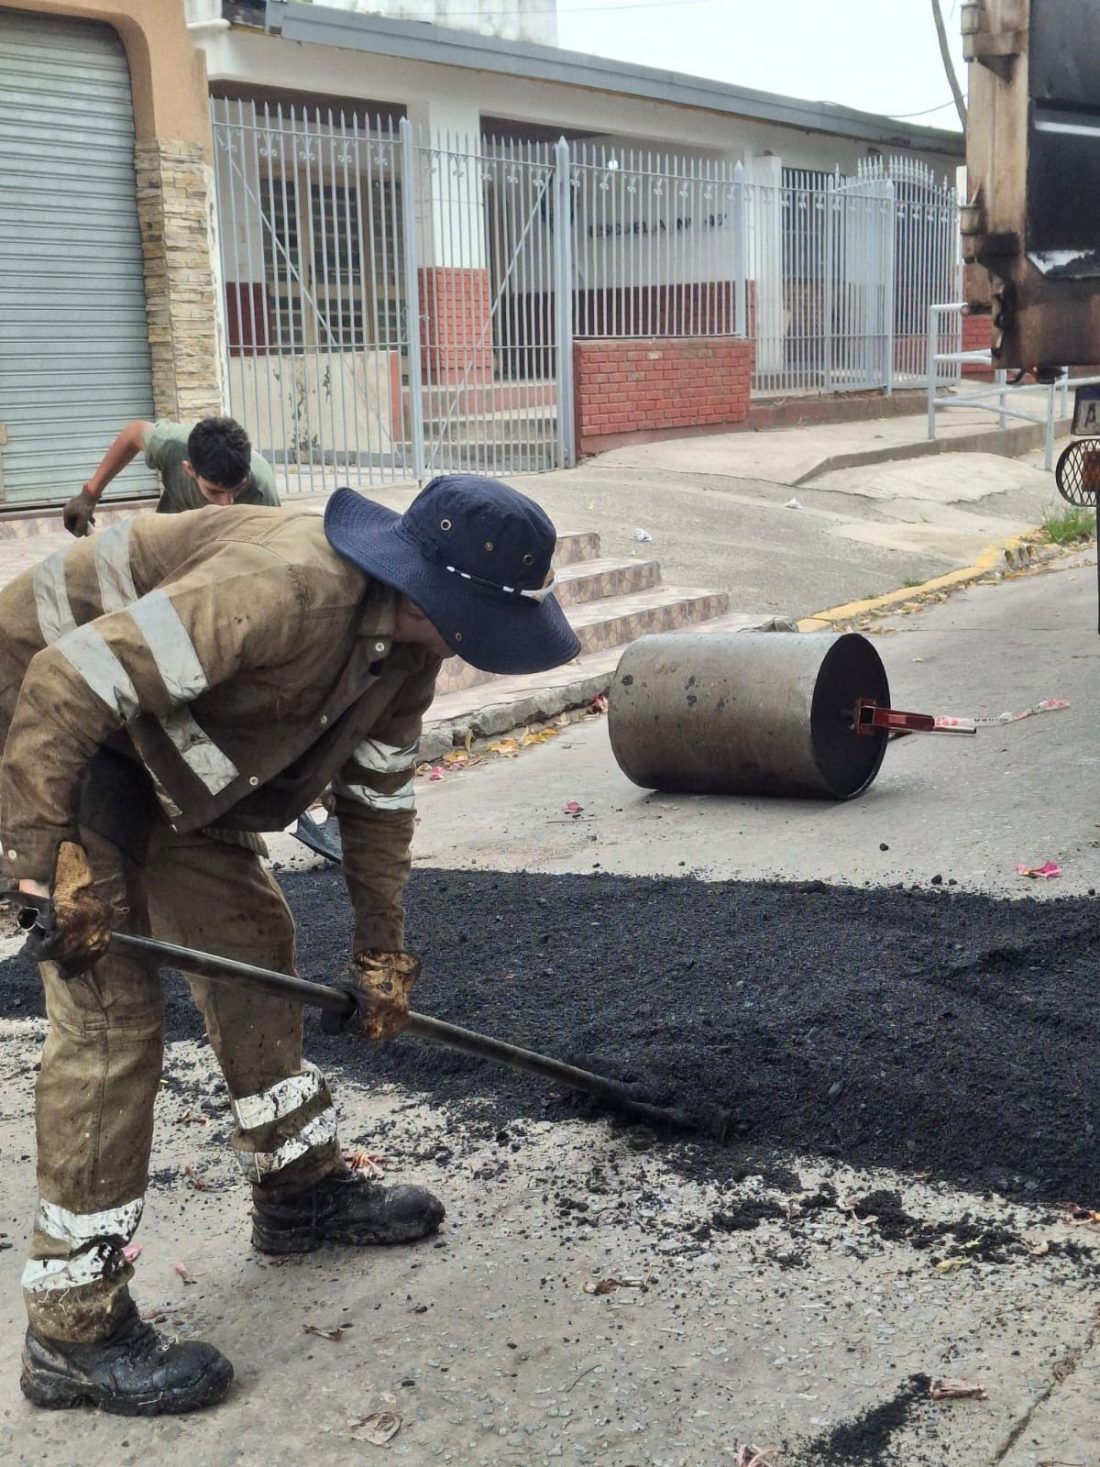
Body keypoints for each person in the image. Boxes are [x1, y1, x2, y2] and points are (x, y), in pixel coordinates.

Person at [0, 474, 580, 1415]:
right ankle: (72, 1329)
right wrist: (33, 867)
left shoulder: (407, 651)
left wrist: (379, 954)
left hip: (148, 746)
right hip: (41, 721)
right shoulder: (283, 594)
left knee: (256, 939)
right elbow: (65, 680)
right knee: (112, 1012)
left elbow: (379, 804)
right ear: (438, 592)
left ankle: (298, 1193)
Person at [62, 417, 279, 537]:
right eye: (215, 492)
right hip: (173, 534)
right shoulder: (171, 446)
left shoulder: (261, 492)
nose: (226, 504)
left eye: (237, 490)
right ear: (190, 470)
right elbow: (132, 434)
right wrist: (89, 495)